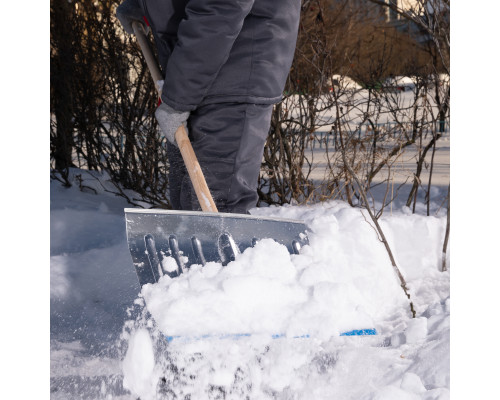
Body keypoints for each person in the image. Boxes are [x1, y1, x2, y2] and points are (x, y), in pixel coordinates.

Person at [117, 0, 301, 214]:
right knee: (188, 208)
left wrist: (178, 98)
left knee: (218, 208)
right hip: (195, 72)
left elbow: (221, 6)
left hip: (231, 73)